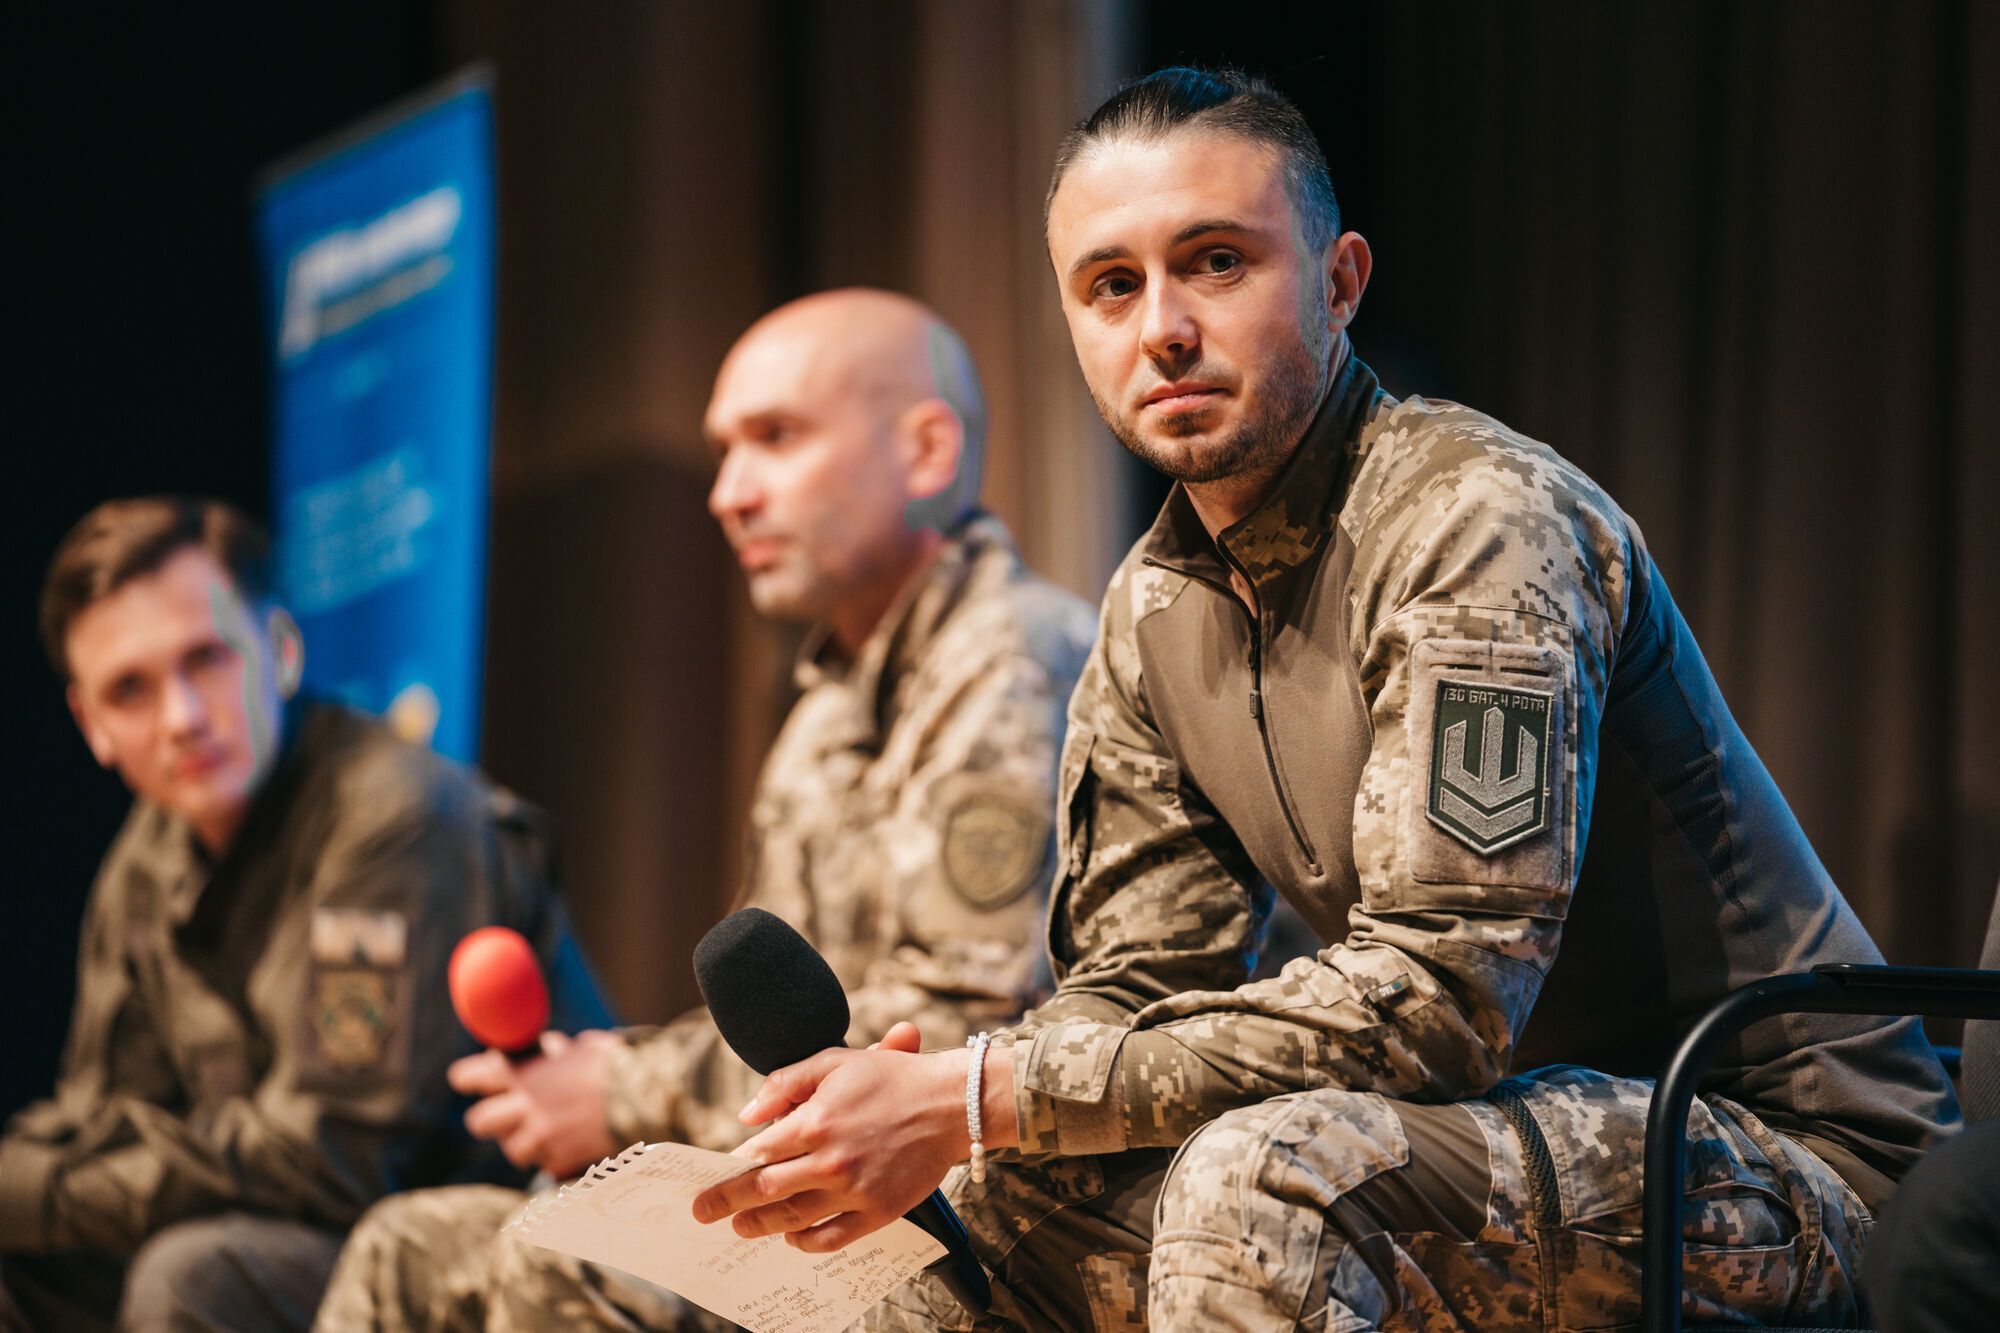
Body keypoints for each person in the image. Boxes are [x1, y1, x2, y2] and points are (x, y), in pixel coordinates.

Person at [688, 69, 1960, 1331]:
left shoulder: (1477, 521)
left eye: (1216, 263)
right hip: (1472, 1134)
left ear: (1339, 281)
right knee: (980, 1209)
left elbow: (1437, 1004)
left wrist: (981, 1088)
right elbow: (1131, 983)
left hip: (1768, 1155)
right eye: (1110, 285)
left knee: (1267, 1185)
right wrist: (967, 1120)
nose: (1161, 328)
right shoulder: (1152, 607)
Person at [312, 288, 1098, 1330]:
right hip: (835, 1180)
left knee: (551, 1266)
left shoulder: (1018, 659)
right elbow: (772, 1023)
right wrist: (599, 1073)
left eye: (775, 439)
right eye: (725, 451)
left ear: (923, 450)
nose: (729, 491)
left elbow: (959, 1026)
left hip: (992, 1200)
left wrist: (623, 1091)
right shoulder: (826, 706)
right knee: (407, 1246)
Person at [1, 497, 612, 1332]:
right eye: (131, 689)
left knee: (193, 1275)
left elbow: (334, 1158)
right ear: (92, 724)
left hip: (480, 1239)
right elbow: (104, 1113)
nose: (181, 718)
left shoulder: (396, 815)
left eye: (207, 659)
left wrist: (43, 1192)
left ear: (282, 650)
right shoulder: (144, 859)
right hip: (300, 1224)